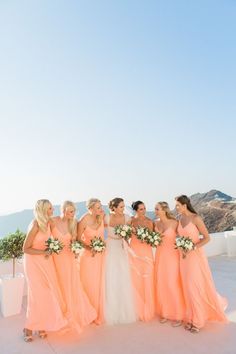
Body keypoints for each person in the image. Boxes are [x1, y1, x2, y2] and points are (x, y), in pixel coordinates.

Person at [176, 195, 228, 333]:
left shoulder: (196, 218)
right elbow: (179, 237)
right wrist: (181, 246)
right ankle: (192, 317)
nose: (176, 208)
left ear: (184, 205)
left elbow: (207, 238)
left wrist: (192, 247)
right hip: (183, 258)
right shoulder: (180, 219)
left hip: (195, 258)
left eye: (177, 205)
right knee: (187, 288)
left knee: (194, 287)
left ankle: (198, 321)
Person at [23, 199, 67, 342]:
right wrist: (44, 252)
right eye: (49, 208)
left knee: (47, 293)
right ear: (42, 210)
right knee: (37, 295)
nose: (52, 210)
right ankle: (29, 328)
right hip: (34, 263)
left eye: (52, 208)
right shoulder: (35, 225)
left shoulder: (48, 223)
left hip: (46, 262)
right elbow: (25, 249)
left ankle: (41, 325)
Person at [52, 201, 96, 333]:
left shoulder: (73, 223)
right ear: (63, 210)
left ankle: (71, 313)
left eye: (74, 211)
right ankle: (58, 315)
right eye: (70, 211)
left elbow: (75, 241)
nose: (73, 214)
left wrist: (76, 250)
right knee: (58, 285)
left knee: (70, 284)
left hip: (69, 257)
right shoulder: (52, 221)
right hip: (56, 258)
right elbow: (45, 237)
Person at [104, 197, 137, 324]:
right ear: (114, 208)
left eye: (124, 206)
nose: (123, 209)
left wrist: (126, 234)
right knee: (110, 275)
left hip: (121, 247)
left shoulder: (127, 219)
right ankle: (109, 310)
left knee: (123, 275)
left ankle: (124, 308)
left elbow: (130, 235)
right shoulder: (106, 218)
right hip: (110, 247)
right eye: (121, 207)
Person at [154, 201, 185, 326]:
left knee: (172, 284)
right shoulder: (155, 223)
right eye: (155, 209)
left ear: (164, 210)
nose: (155, 210)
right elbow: (153, 241)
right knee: (162, 283)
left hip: (172, 256)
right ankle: (165, 312)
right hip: (160, 255)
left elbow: (183, 237)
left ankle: (178, 315)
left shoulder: (175, 223)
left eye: (157, 208)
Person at [77, 198, 105, 324]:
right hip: (88, 256)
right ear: (91, 208)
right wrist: (90, 248)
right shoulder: (83, 220)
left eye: (100, 207)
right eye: (98, 207)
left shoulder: (101, 217)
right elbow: (78, 238)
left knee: (100, 283)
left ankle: (98, 312)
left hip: (101, 255)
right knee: (89, 283)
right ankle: (89, 313)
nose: (100, 209)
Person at [130, 200, 155, 321]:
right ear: (135, 210)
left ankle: (148, 306)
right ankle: (136, 307)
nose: (144, 211)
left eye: (145, 208)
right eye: (141, 209)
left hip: (146, 251)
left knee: (148, 277)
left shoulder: (149, 222)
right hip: (134, 252)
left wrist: (147, 238)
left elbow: (153, 238)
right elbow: (126, 236)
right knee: (136, 278)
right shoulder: (131, 221)